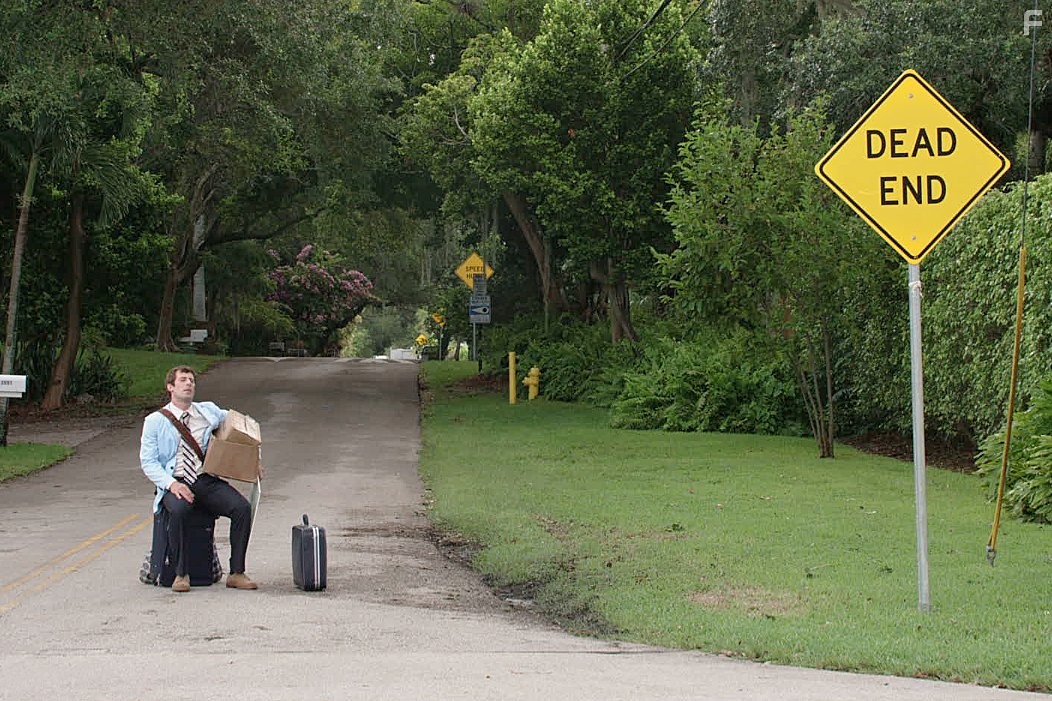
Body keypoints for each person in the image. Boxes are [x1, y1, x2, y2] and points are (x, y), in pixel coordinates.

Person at [140, 366, 258, 592]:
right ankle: (180, 574)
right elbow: (148, 462)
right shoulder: (154, 421)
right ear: (170, 387)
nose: (188, 384)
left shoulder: (208, 411)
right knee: (180, 510)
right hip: (174, 481)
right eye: (183, 380)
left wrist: (254, 458)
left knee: (242, 508)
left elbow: (242, 427)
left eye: (192, 380)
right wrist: (172, 484)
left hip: (204, 479)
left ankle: (236, 572)